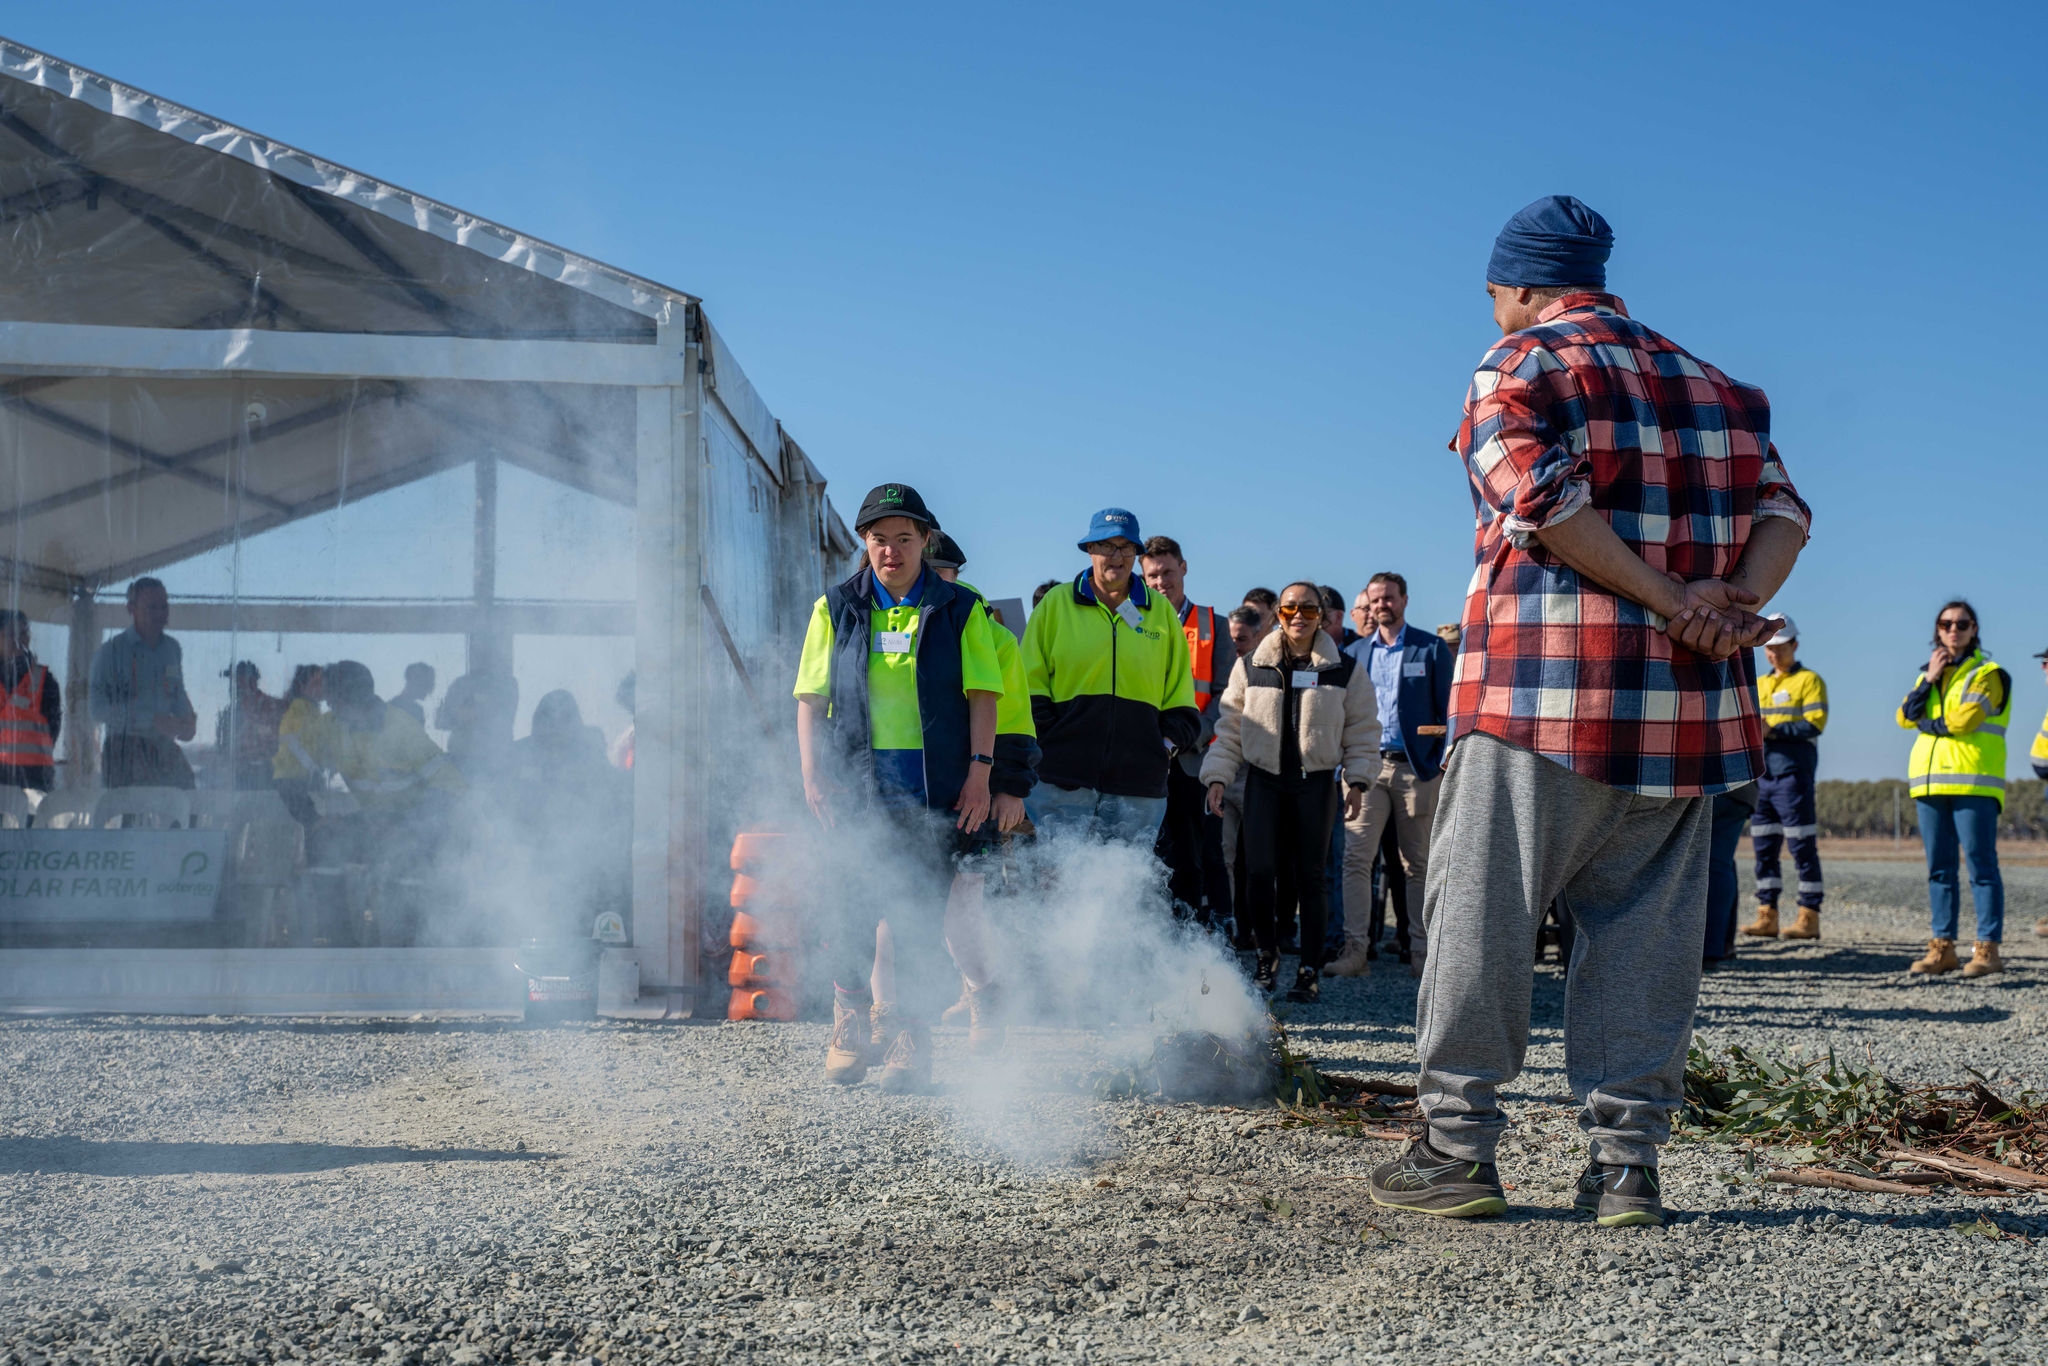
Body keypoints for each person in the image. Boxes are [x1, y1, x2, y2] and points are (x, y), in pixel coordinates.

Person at [1369, 195, 1809, 1229]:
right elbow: (1785, 512)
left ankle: (1457, 1148)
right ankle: (1623, 1169)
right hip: (1687, 719)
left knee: (1480, 917)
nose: (1492, 312)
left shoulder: (1514, 367)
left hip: (1539, 699)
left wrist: (1666, 599)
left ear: (1520, 285)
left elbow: (1543, 504)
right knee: (1644, 947)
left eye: (1492, 295)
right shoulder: (1719, 387)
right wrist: (1729, 599)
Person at [795, 484, 1008, 1093]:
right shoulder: (834, 608)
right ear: (866, 543)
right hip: (852, 784)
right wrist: (812, 772)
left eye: (905, 539)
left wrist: (980, 773)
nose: (891, 551)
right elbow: (811, 700)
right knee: (849, 907)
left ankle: (913, 1038)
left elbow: (984, 696)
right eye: (880, 539)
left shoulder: (960, 608)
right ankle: (849, 1019)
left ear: (926, 541)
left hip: (932, 783)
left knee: (916, 911)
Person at [1202, 582, 1380, 1001]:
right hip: (1263, 781)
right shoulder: (1250, 666)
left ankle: (1308, 969)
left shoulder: (1345, 671)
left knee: (1311, 879)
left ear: (1322, 615)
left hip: (1314, 785)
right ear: (1276, 615)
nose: (1299, 616)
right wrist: (1217, 776)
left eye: (1309, 609)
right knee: (1259, 874)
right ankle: (1267, 957)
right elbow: (1228, 727)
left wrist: (1357, 780)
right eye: (1289, 609)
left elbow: (1362, 730)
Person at [903, 530, 1040, 1052]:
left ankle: (986, 997)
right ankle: (897, 1015)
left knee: (960, 911)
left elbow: (1017, 720)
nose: (934, 584)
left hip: (971, 796)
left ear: (957, 576)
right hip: (905, 793)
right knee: (899, 907)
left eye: (944, 575)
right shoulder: (882, 624)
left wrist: (1009, 786)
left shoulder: (988, 629)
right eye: (928, 573)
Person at [1021, 509, 1198, 844]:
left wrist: (1162, 747)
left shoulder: (1160, 613)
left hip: (1138, 788)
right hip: (1061, 782)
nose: (1116, 557)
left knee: (1124, 891)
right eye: (1106, 546)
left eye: (1125, 548)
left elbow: (1180, 696)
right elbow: (1028, 685)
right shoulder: (1055, 605)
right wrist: (1051, 741)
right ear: (1090, 550)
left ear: (1136, 554)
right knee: (1057, 885)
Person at [1331, 572, 1455, 979]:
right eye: (1375, 600)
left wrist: (1437, 762)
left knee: (1417, 863)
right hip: (1365, 767)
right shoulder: (1354, 652)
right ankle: (1355, 951)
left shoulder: (1430, 648)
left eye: (1389, 598)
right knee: (1355, 860)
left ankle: (1422, 955)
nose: (1382, 605)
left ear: (1404, 600)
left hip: (1414, 770)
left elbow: (1449, 710)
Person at [1897, 601, 2008, 978]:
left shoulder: (1988, 673)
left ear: (1974, 628)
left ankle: (1987, 950)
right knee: (1939, 870)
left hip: (1974, 782)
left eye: (1962, 623)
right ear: (1938, 629)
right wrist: (1929, 678)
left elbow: (1964, 720)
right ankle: (1943, 948)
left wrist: (1925, 723)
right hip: (1928, 784)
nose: (1953, 629)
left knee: (1981, 867)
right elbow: (1902, 716)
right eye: (1946, 623)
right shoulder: (1927, 673)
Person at [1140, 535, 1234, 928]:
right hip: (1145, 759)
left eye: (1167, 571)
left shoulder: (1216, 624)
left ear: (1183, 568)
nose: (1161, 581)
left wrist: (1184, 738)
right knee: (1151, 855)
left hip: (1195, 758)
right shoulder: (1133, 620)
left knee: (1195, 856)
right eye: (1151, 575)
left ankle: (1192, 936)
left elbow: (1224, 696)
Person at [1738, 617, 1829, 942]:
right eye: (1768, 649)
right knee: (1763, 846)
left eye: (1779, 647)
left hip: (1793, 775)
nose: (1773, 654)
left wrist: (1773, 730)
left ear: (1794, 645)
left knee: (1802, 845)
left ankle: (1809, 916)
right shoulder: (1759, 684)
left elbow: (1815, 724)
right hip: (1762, 777)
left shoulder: (1809, 681)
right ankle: (1768, 914)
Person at [89, 577, 198, 789]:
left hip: (163, 745)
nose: (160, 614)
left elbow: (177, 693)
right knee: (132, 811)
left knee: (188, 798)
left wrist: (187, 719)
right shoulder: (111, 653)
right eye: (152, 608)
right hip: (124, 749)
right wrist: (151, 720)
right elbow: (97, 710)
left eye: (164, 607)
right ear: (131, 609)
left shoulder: (172, 649)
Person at [0, 610, 61, 791]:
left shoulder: (44, 680)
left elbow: (53, 730)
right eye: (11, 634)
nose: (19, 640)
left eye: (24, 633)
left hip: (33, 782)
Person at [436, 667, 518, 778]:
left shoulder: (507, 684)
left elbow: (506, 717)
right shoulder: (460, 684)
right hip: (460, 758)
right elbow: (441, 721)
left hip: (494, 761)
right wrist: (460, 716)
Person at [216, 661, 285, 790]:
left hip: (268, 776)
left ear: (253, 682)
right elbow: (223, 749)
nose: (233, 685)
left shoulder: (272, 707)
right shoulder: (228, 714)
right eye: (232, 681)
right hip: (240, 776)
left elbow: (280, 744)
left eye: (238, 680)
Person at [273, 664, 326, 827]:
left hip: (303, 779)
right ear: (302, 686)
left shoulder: (313, 710)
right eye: (315, 683)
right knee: (314, 823)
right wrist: (313, 768)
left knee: (314, 822)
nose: (321, 687)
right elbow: (291, 741)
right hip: (289, 779)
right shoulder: (298, 708)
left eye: (322, 683)